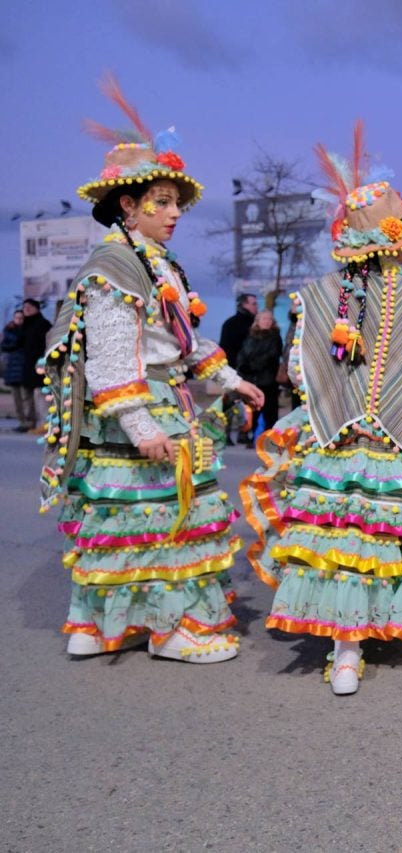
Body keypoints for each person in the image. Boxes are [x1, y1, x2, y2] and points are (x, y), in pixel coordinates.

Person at [40, 77, 262, 661]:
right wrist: (142, 427)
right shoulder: (116, 265)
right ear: (127, 207)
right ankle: (171, 630)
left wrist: (233, 381)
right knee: (170, 519)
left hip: (155, 402)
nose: (173, 213)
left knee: (126, 520)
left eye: (175, 203)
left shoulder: (155, 264)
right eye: (159, 203)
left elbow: (180, 342)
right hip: (143, 410)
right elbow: (111, 354)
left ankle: (103, 624)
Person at [241, 123, 402, 695]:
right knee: (379, 534)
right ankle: (368, 633)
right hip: (395, 443)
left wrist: (347, 397)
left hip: (337, 439)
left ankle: (344, 649)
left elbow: (299, 370)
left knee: (341, 534)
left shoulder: (318, 295)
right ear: (400, 239)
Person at [235, 310, 283, 435]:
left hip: (268, 380)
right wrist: (242, 366)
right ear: (257, 321)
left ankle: (269, 437)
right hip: (251, 379)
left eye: (269, 319)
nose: (267, 321)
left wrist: (253, 367)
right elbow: (242, 353)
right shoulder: (250, 336)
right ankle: (248, 434)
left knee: (270, 411)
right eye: (264, 319)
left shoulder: (275, 337)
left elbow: (271, 356)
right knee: (251, 410)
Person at [219, 292, 257, 444]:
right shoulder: (234, 324)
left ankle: (243, 432)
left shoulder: (254, 323)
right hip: (234, 369)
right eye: (253, 303)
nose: (256, 307)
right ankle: (227, 433)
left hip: (248, 370)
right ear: (244, 304)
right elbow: (225, 348)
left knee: (247, 404)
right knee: (230, 403)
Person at [19, 300, 52, 435]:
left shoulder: (43, 325)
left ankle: (45, 424)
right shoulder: (25, 325)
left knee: (41, 396)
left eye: (29, 307)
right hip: (27, 366)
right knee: (28, 397)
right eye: (24, 307)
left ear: (37, 308)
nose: (26, 309)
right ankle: (29, 423)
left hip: (40, 366)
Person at [2, 309, 30, 432]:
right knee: (17, 399)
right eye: (16, 317)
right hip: (13, 369)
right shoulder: (9, 331)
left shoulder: (27, 331)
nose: (18, 320)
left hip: (24, 368)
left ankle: (28, 422)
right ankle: (22, 421)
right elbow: (4, 346)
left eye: (21, 318)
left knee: (26, 398)